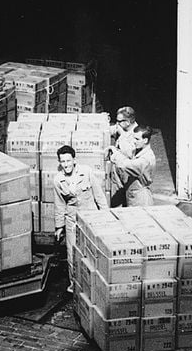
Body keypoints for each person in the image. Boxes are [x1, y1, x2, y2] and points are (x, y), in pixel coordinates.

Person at [53, 144, 107, 293]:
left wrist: (106, 216)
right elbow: (59, 205)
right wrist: (59, 227)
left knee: (93, 252)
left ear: (74, 160)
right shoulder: (58, 180)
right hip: (72, 220)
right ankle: (74, 284)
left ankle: (95, 284)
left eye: (68, 161)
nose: (66, 165)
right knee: (71, 254)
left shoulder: (87, 172)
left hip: (90, 217)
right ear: (59, 163)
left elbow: (99, 195)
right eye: (62, 162)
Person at [107, 125, 156, 207]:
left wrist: (115, 157)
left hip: (141, 198)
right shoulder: (138, 151)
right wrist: (115, 150)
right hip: (133, 193)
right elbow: (127, 153)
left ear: (145, 140)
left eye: (137, 139)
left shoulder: (146, 159)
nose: (133, 141)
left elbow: (126, 165)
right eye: (133, 138)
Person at [109, 106, 138, 207]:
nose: (117, 124)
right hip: (118, 171)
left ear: (128, 121)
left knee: (129, 201)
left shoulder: (137, 134)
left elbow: (130, 153)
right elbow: (109, 130)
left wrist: (122, 135)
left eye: (119, 121)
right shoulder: (122, 127)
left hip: (129, 174)